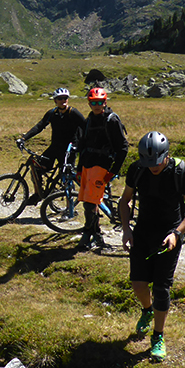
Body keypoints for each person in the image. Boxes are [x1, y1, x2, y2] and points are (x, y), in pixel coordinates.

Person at [119, 131, 185, 362]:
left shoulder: (180, 173)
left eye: (156, 162)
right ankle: (146, 310)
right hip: (143, 232)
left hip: (169, 235)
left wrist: (177, 233)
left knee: (162, 288)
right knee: (138, 282)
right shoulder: (137, 170)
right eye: (148, 163)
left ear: (166, 155)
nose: (152, 167)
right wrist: (126, 229)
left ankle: (158, 335)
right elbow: (124, 200)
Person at [76, 87, 128, 250]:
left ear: (105, 102)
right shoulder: (89, 120)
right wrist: (79, 168)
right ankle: (96, 234)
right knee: (87, 202)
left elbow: (123, 148)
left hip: (102, 165)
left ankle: (88, 234)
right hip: (87, 164)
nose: (97, 106)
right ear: (89, 104)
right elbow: (83, 145)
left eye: (99, 102)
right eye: (93, 103)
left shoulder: (111, 120)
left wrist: (113, 170)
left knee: (90, 203)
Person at [17, 87, 85, 204]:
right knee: (37, 168)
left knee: (66, 177)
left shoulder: (73, 113)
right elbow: (39, 126)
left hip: (69, 149)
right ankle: (38, 193)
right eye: (60, 98)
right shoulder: (52, 113)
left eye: (65, 98)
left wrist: (79, 145)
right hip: (55, 147)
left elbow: (85, 128)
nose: (63, 100)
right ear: (55, 100)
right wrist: (24, 138)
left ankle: (70, 209)